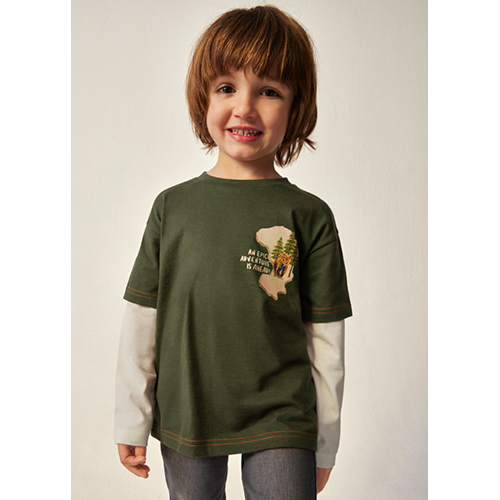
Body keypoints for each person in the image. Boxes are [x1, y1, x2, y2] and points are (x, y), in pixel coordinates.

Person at [115, 5, 352, 499]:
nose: (244, 107)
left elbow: (326, 341)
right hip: (188, 410)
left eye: (269, 91)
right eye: (227, 87)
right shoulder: (171, 208)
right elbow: (142, 319)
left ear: (296, 107)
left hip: (282, 415)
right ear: (203, 97)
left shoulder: (308, 216)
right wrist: (132, 417)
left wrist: (324, 445)